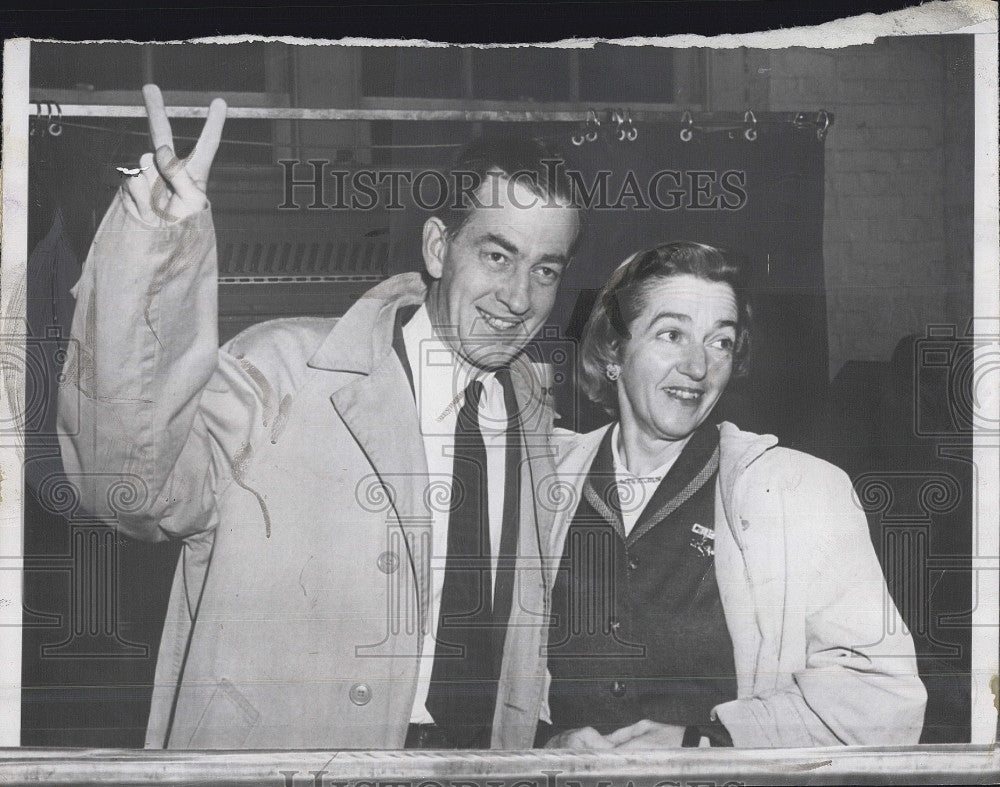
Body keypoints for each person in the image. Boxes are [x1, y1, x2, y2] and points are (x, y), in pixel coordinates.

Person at [57, 85, 582, 750]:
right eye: (498, 255)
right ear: (438, 248)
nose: (517, 297)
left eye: (545, 270)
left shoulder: (536, 422)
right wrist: (152, 253)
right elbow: (125, 489)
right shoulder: (280, 373)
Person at [539, 242, 926, 749]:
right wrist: (546, 742)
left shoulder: (802, 492)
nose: (697, 367)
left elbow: (880, 699)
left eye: (720, 341)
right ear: (613, 350)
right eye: (671, 334)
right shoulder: (540, 480)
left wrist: (707, 743)